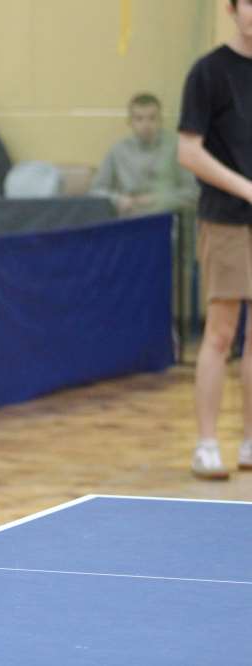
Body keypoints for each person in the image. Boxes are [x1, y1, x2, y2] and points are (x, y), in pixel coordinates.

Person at [178, 0, 252, 480]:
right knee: (222, 332)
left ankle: (250, 441)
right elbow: (188, 151)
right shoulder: (209, 72)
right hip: (226, 219)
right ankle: (206, 444)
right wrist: (247, 188)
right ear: (232, 9)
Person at [91, 93, 197, 216]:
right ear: (130, 122)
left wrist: (159, 199)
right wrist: (118, 200)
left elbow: (193, 193)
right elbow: (96, 191)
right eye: (139, 119)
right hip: (130, 216)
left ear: (161, 120)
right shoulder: (118, 150)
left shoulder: (177, 148)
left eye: (152, 118)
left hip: (166, 216)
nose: (146, 125)